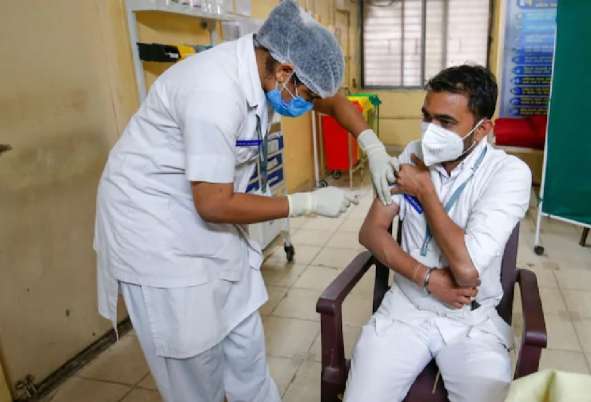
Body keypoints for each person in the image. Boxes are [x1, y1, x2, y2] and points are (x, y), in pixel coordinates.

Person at [93, 1, 397, 401]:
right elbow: (213, 203)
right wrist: (303, 204)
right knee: (195, 368)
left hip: (209, 218)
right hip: (157, 231)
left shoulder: (271, 71)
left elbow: (332, 99)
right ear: (285, 72)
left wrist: (370, 143)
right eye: (305, 94)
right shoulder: (213, 91)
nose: (309, 104)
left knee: (243, 342)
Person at [343, 65, 532, 402]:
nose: (430, 131)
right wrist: (426, 277)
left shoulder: (508, 174)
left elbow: (466, 269)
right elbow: (371, 232)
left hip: (470, 322)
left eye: (445, 122)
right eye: (426, 117)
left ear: (483, 128)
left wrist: (425, 191)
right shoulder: (413, 152)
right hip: (406, 308)